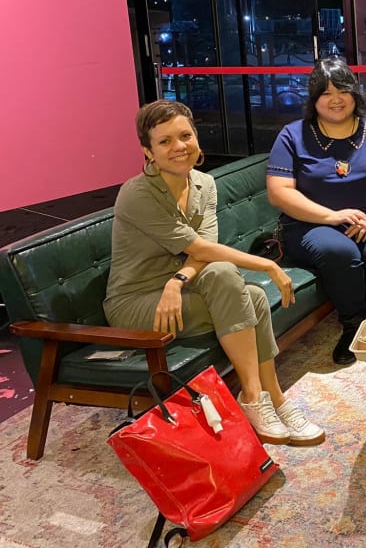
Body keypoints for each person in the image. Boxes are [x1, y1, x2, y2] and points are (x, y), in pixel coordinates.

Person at [105, 100, 325, 447]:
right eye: (164, 141)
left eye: (185, 136)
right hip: (137, 301)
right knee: (245, 292)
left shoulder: (205, 184)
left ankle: (269, 397)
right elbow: (201, 248)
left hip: (182, 289)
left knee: (247, 291)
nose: (179, 147)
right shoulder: (137, 194)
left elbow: (203, 249)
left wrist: (177, 281)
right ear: (148, 151)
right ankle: (257, 396)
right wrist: (268, 264)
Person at [267, 59, 366, 365]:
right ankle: (353, 323)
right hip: (311, 224)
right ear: (314, 99)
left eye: (342, 91)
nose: (335, 99)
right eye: (326, 93)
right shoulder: (292, 135)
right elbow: (279, 192)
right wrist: (331, 216)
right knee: (340, 251)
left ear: (355, 94)